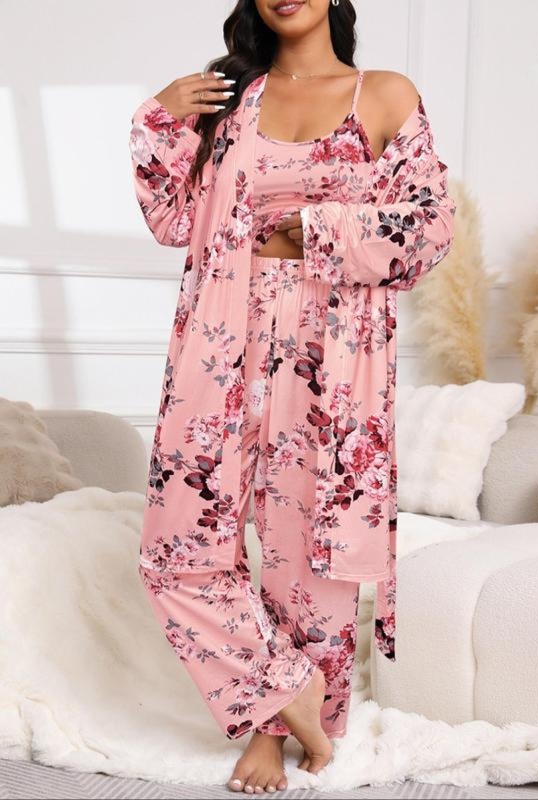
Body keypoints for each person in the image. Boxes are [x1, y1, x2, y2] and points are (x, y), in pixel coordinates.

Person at [129, 0, 455, 794]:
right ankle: (283, 687)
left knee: (306, 547)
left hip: (331, 348)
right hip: (221, 336)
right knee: (177, 546)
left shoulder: (383, 94)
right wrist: (158, 119)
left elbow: (429, 227)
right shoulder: (229, 98)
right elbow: (174, 221)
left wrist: (319, 231)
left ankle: (274, 733)